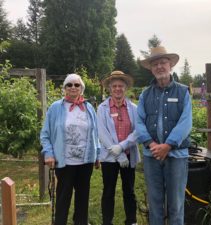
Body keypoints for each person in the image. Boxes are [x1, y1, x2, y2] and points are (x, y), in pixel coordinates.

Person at [136, 46, 192, 225]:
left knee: (176, 205)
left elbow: (186, 122)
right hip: (152, 156)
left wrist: (168, 145)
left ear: (170, 65)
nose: (159, 66)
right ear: (151, 69)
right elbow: (138, 122)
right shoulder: (145, 95)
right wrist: (151, 144)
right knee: (155, 203)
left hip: (176, 156)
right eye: (155, 64)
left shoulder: (182, 92)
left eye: (163, 62)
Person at [40, 73, 101, 225]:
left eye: (77, 85)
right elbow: (45, 134)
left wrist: (97, 154)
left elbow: (95, 133)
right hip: (64, 161)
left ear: (82, 88)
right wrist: (48, 153)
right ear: (64, 88)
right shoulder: (56, 108)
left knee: (83, 197)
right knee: (63, 197)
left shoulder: (88, 108)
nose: (73, 87)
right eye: (69, 84)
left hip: (85, 161)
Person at [97, 70, 141, 225]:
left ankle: (131, 221)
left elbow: (138, 131)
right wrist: (118, 154)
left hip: (129, 155)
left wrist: (122, 147)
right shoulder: (102, 108)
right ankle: (107, 221)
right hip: (110, 157)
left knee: (129, 190)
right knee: (108, 190)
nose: (117, 89)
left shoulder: (134, 109)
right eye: (114, 86)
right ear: (109, 88)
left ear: (126, 88)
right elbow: (102, 133)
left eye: (121, 86)